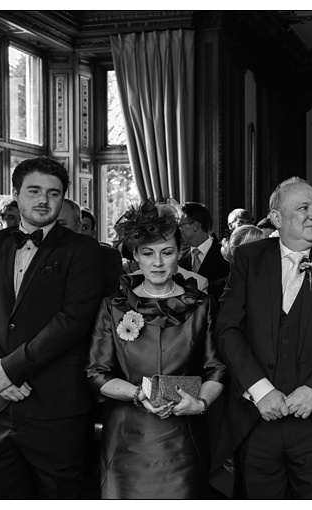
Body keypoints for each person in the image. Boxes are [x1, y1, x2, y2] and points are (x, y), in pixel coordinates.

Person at [0, 156, 105, 498]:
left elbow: (73, 320)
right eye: (34, 190)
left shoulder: (83, 249)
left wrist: (12, 368)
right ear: (16, 194)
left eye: (54, 193)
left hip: (55, 404)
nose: (44, 200)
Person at [211, 177, 312, 498]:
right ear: (277, 218)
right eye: (303, 207)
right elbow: (228, 329)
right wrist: (260, 390)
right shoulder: (248, 259)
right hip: (256, 420)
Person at [84, 203, 226, 498]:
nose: (158, 263)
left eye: (167, 252)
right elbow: (97, 373)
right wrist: (139, 394)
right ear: (135, 256)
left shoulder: (202, 304)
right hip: (126, 438)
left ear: (180, 253)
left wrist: (200, 404)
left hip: (184, 439)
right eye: (148, 253)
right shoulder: (114, 306)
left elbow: (217, 368)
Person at [180, 202, 230, 295]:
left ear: (195, 226)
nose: (177, 231)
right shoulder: (179, 257)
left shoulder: (225, 255)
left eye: (180, 226)